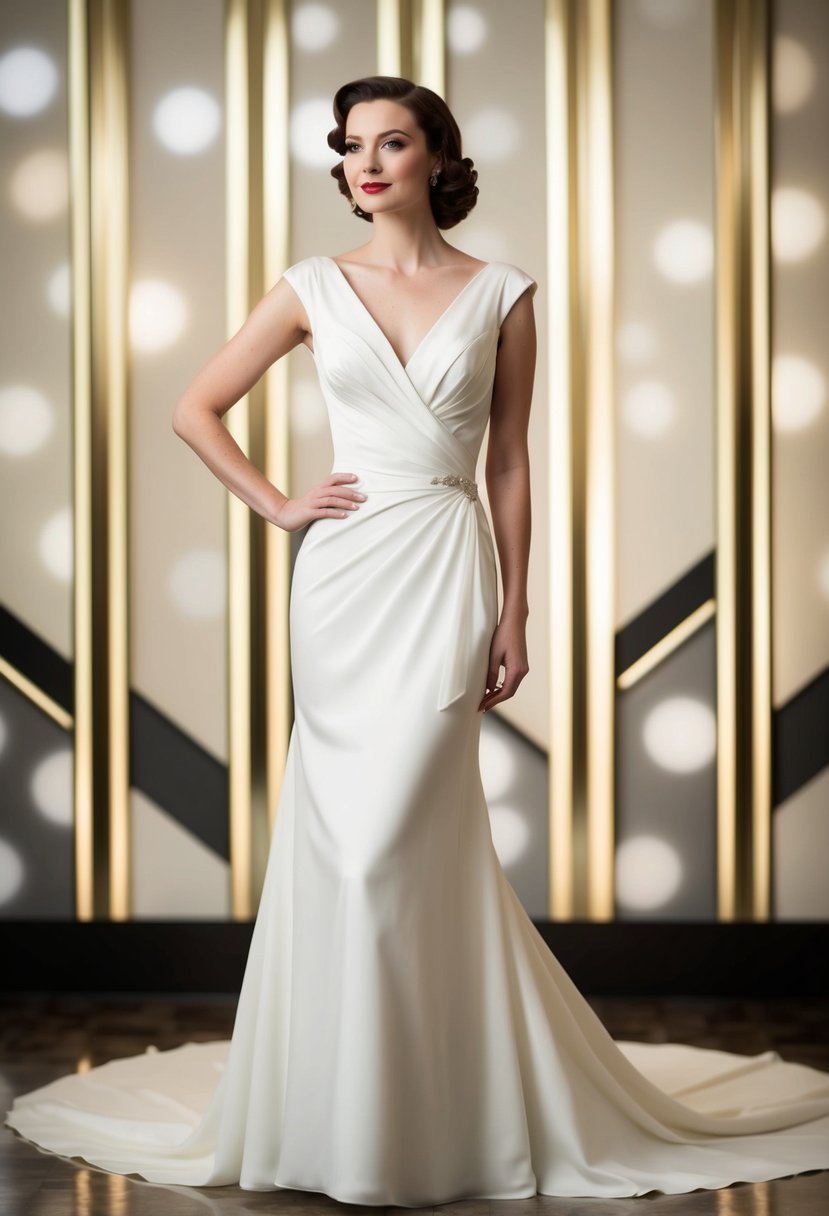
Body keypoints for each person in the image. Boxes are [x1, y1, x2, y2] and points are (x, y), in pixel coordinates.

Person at [6, 75, 829, 1206]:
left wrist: (518, 606)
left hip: (446, 569)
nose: (369, 161)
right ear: (342, 169)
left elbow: (508, 464)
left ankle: (426, 1111)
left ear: (439, 156)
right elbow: (197, 406)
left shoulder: (502, 293)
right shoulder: (308, 287)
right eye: (352, 147)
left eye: (394, 142)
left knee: (400, 840)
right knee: (346, 847)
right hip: (344, 584)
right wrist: (279, 504)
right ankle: (348, 1118)